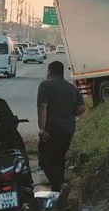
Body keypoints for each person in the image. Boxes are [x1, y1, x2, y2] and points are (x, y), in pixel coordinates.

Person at [37, 60, 86, 196]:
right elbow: (82, 107)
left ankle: (60, 185)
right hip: (68, 129)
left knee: (45, 159)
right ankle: (58, 192)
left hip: (52, 129)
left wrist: (42, 128)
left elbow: (42, 107)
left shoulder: (45, 85)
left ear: (50, 72)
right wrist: (69, 113)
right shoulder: (71, 87)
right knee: (59, 157)